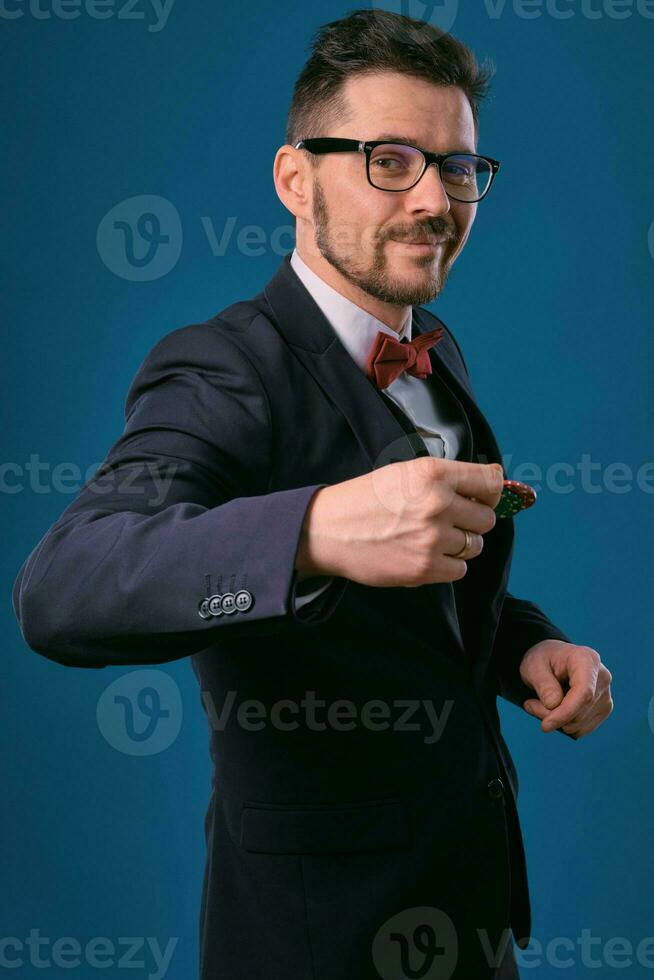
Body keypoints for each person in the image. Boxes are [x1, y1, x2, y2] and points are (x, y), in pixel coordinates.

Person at [12, 9, 613, 979]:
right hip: (313, 941)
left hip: (470, 915)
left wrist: (524, 645)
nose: (433, 199)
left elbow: (424, 609)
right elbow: (62, 589)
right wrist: (315, 529)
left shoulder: (435, 348)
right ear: (296, 179)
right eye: (389, 159)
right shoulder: (221, 368)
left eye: (457, 167)